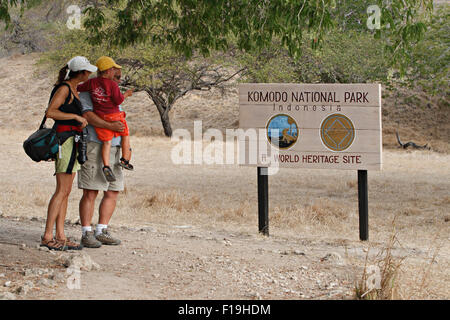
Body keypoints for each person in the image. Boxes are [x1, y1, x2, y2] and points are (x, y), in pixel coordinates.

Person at [41, 56, 97, 251]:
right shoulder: (65, 88)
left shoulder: (73, 89)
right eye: (87, 71)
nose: (89, 74)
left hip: (73, 141)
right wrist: (74, 116)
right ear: (81, 73)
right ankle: (48, 236)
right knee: (61, 191)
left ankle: (60, 235)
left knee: (66, 191)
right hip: (64, 141)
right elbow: (51, 112)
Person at [77, 67, 127, 248]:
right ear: (107, 72)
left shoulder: (113, 90)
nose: (119, 80)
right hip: (95, 143)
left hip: (114, 146)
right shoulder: (89, 90)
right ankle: (86, 232)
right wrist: (110, 126)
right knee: (91, 190)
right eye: (117, 76)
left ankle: (102, 230)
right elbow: (88, 115)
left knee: (113, 190)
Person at [77, 56, 134, 182]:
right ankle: (125, 159)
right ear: (108, 71)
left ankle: (106, 165)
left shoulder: (91, 83)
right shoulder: (112, 85)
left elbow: (78, 88)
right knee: (125, 134)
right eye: (113, 70)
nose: (115, 73)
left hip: (101, 115)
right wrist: (126, 94)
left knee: (107, 142)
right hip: (114, 116)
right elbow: (118, 100)